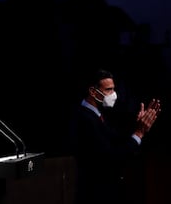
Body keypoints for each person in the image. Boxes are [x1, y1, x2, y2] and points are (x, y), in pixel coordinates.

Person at [69, 68, 161, 204]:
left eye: (113, 89)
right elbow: (112, 156)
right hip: (96, 195)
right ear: (93, 92)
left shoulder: (97, 114)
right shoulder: (85, 119)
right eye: (108, 90)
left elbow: (115, 139)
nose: (114, 94)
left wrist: (139, 126)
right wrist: (139, 133)